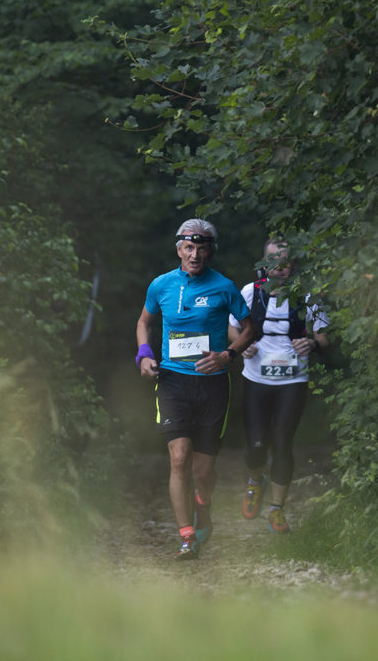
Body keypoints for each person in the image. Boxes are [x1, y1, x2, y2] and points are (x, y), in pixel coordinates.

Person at [136, 218, 255, 560]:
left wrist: (228, 356)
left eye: (202, 248)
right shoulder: (161, 285)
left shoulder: (225, 287)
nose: (195, 254)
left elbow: (250, 329)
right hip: (173, 381)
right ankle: (186, 536)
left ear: (210, 251)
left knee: (203, 472)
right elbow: (144, 322)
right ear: (179, 250)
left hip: (212, 385)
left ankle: (204, 504)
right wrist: (144, 355)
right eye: (189, 247)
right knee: (178, 457)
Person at [229, 238, 330, 534]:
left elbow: (325, 338)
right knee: (256, 445)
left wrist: (311, 342)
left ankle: (276, 509)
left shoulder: (308, 296)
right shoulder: (250, 292)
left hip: (293, 381)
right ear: (263, 264)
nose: (280, 268)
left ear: (294, 265)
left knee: (283, 443)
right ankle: (255, 482)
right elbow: (230, 324)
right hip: (256, 379)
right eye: (273, 261)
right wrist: (238, 345)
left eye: (285, 261)